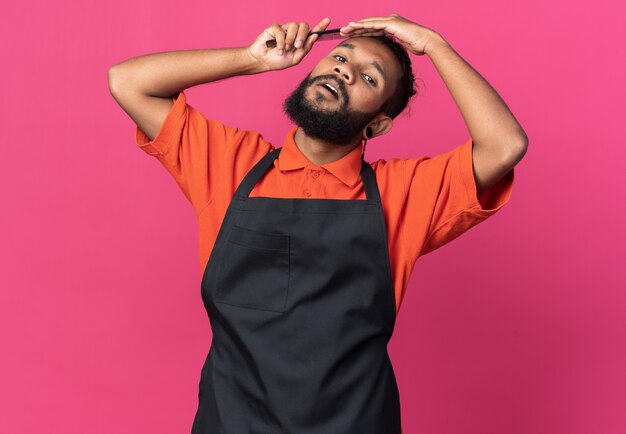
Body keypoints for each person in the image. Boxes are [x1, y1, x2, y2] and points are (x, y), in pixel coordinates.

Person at [108, 13, 527, 434]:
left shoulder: (404, 192)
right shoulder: (230, 164)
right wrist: (251, 59)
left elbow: (505, 144)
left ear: (377, 125)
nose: (345, 69)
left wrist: (435, 45)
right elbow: (128, 82)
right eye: (341, 57)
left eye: (369, 78)